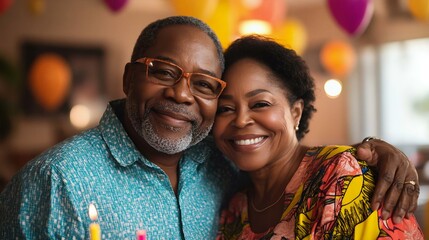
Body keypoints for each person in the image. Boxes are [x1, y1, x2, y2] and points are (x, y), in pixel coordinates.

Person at [0, 16, 420, 239]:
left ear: (296, 112)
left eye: (203, 85)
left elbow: (304, 171)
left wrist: (371, 152)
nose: (182, 95)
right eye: (163, 71)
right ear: (129, 78)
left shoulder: (220, 169)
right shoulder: (55, 181)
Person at [214, 35, 423, 239]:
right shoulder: (234, 208)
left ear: (296, 112)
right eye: (225, 108)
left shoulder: (344, 177)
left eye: (260, 104)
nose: (240, 120)